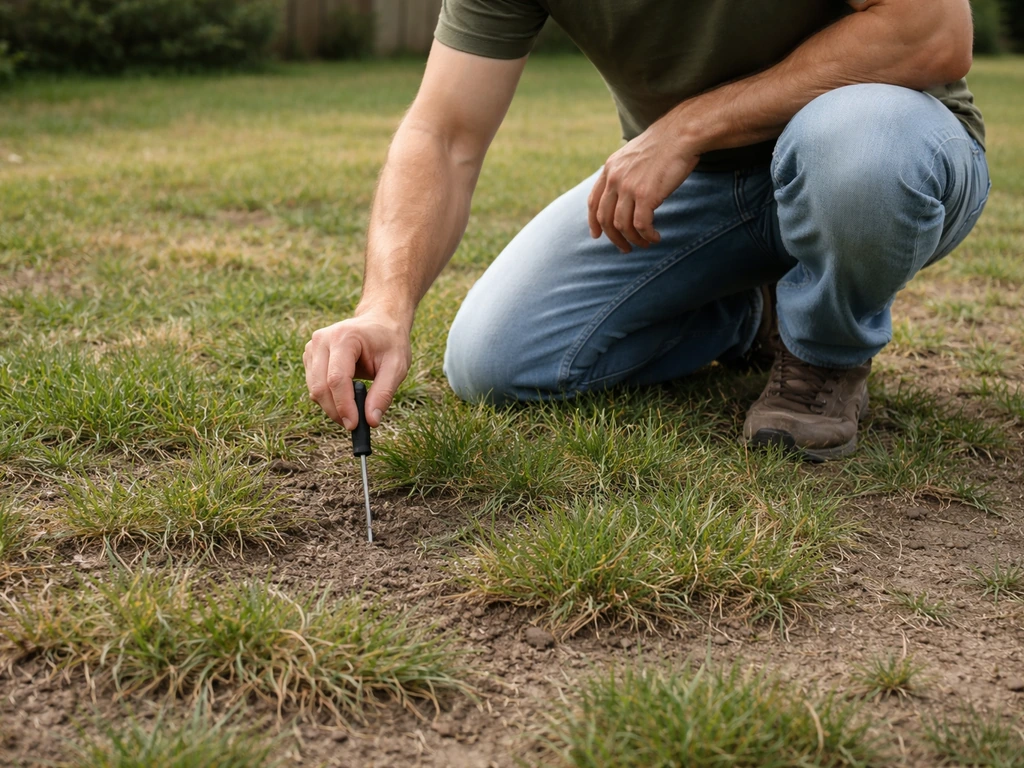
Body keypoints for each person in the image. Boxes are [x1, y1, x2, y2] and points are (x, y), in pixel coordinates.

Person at [303, 0, 989, 461]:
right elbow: (443, 132)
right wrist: (384, 308)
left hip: (885, 147)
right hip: (707, 189)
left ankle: (824, 356)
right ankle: (750, 314)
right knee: (495, 362)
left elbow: (928, 30)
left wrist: (689, 125)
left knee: (856, 148)